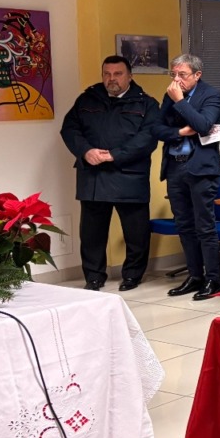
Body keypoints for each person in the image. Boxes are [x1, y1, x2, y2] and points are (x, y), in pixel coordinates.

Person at [59, 56, 159, 291]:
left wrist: (116, 155)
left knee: (136, 233)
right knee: (91, 234)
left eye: (118, 74)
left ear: (130, 76)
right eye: (107, 74)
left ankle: (132, 275)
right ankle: (94, 277)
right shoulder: (87, 99)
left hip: (130, 176)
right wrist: (86, 151)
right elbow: (69, 129)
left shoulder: (147, 104)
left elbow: (148, 138)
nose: (111, 79)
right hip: (93, 177)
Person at [153, 54, 220, 300]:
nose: (176, 80)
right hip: (175, 166)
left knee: (204, 226)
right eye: (173, 74)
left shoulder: (211, 94)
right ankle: (195, 276)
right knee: (184, 225)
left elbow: (203, 125)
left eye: (182, 75)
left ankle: (213, 279)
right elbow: (156, 129)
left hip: (201, 168)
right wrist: (181, 132)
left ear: (197, 75)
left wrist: (180, 101)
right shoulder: (170, 94)